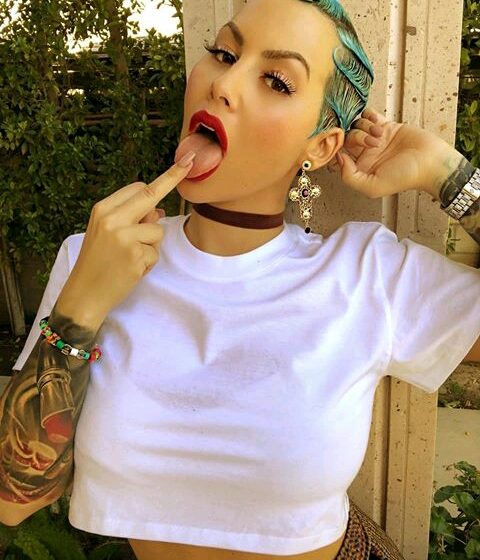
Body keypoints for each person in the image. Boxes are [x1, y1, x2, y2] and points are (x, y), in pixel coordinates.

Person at [1, 0, 479, 559]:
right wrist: (80, 307)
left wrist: (447, 174)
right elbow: (14, 498)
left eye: (277, 81)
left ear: (320, 146)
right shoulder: (91, 258)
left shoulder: (367, 274)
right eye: (225, 54)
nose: (223, 84)